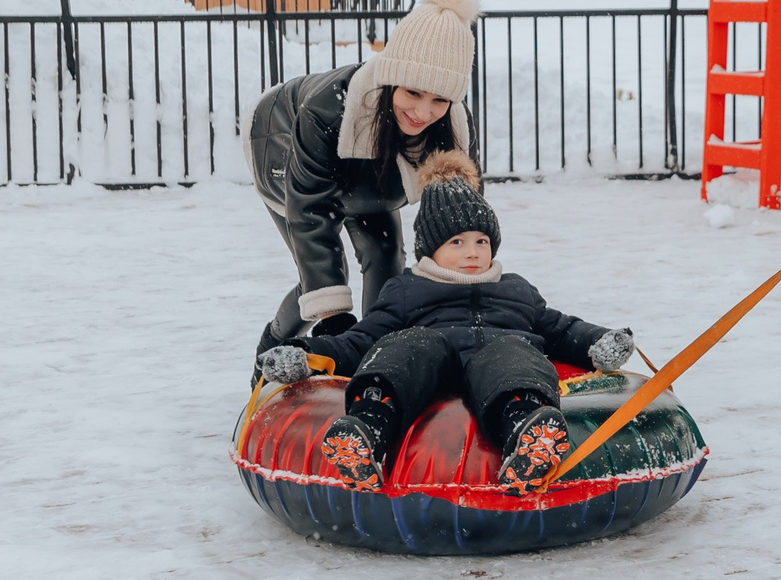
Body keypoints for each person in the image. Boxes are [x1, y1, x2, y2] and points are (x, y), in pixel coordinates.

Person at [255, 151, 634, 495]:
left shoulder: (516, 289)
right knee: (409, 344)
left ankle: (527, 434)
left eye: (482, 241)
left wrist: (598, 341)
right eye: (456, 242)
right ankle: (366, 431)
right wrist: (305, 354)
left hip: (499, 374)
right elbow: (360, 341)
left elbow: (559, 328)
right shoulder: (407, 289)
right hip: (429, 370)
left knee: (515, 350)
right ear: (431, 248)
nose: (472, 252)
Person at [245, 0, 480, 370]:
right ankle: (273, 350)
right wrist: (335, 323)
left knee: (387, 257)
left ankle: (378, 359)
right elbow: (311, 216)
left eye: (439, 99)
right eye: (412, 93)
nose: (423, 113)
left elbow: (462, 223)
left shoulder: (453, 128)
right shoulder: (325, 112)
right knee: (319, 282)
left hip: (371, 175)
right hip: (279, 141)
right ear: (391, 78)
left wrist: (463, 299)